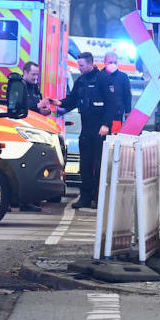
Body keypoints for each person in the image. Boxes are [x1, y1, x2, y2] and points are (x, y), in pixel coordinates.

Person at [53, 52, 117, 209]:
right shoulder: (80, 81)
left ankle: (98, 197)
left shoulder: (103, 79)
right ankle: (86, 197)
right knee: (85, 165)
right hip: (86, 128)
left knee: (99, 164)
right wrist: (59, 102)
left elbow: (112, 104)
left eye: (81, 65)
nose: (79, 68)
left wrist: (106, 125)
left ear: (90, 64)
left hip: (100, 129)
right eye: (78, 65)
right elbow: (73, 99)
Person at [103, 51, 133, 130]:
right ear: (105, 62)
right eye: (110, 62)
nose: (113, 64)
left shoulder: (123, 77)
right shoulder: (99, 76)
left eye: (115, 62)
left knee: (114, 139)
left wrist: (127, 112)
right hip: (101, 116)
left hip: (117, 115)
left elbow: (127, 96)